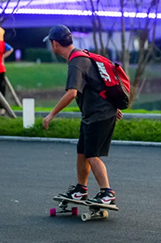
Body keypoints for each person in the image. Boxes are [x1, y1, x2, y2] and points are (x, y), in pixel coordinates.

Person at [42, 25, 123, 206]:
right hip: (95, 113)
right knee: (82, 152)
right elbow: (97, 84)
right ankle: (81, 189)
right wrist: (113, 106)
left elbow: (72, 93)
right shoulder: (81, 55)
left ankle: (107, 193)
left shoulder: (76, 62)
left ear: (55, 44)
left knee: (92, 154)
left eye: (51, 43)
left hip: (98, 115)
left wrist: (50, 115)